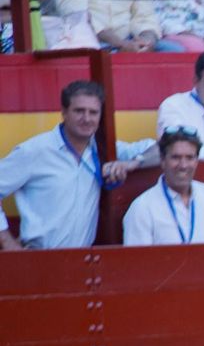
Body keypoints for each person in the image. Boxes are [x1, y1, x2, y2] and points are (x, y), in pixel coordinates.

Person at [0, 80, 157, 251]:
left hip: (80, 262)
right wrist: (8, 242)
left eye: (93, 112)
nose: (87, 119)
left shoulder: (104, 149)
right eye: (79, 111)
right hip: (38, 258)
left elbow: (161, 149)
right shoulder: (35, 150)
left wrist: (132, 163)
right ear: (64, 113)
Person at [121, 128, 204, 246]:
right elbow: (137, 262)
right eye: (176, 157)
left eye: (189, 157)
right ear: (162, 160)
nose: (183, 165)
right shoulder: (142, 207)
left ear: (196, 161)